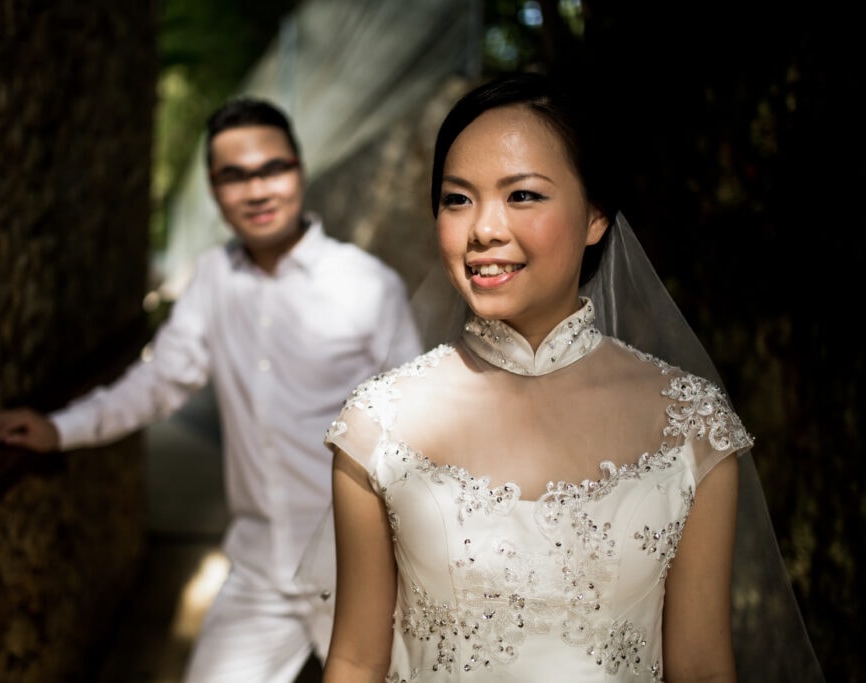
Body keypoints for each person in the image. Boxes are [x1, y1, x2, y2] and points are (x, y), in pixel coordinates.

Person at [320, 72, 822, 682]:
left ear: (595, 216)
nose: (484, 229)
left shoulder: (692, 427)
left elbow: (702, 668)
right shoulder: (378, 423)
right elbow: (354, 659)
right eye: (458, 198)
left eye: (523, 195)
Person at [0, 97, 423, 683]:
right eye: (234, 176)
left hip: (363, 568)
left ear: (299, 169)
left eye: (272, 168)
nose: (257, 189)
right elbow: (159, 382)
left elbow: (424, 426)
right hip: (260, 570)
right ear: (215, 190)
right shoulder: (213, 278)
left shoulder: (368, 284)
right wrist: (59, 428)